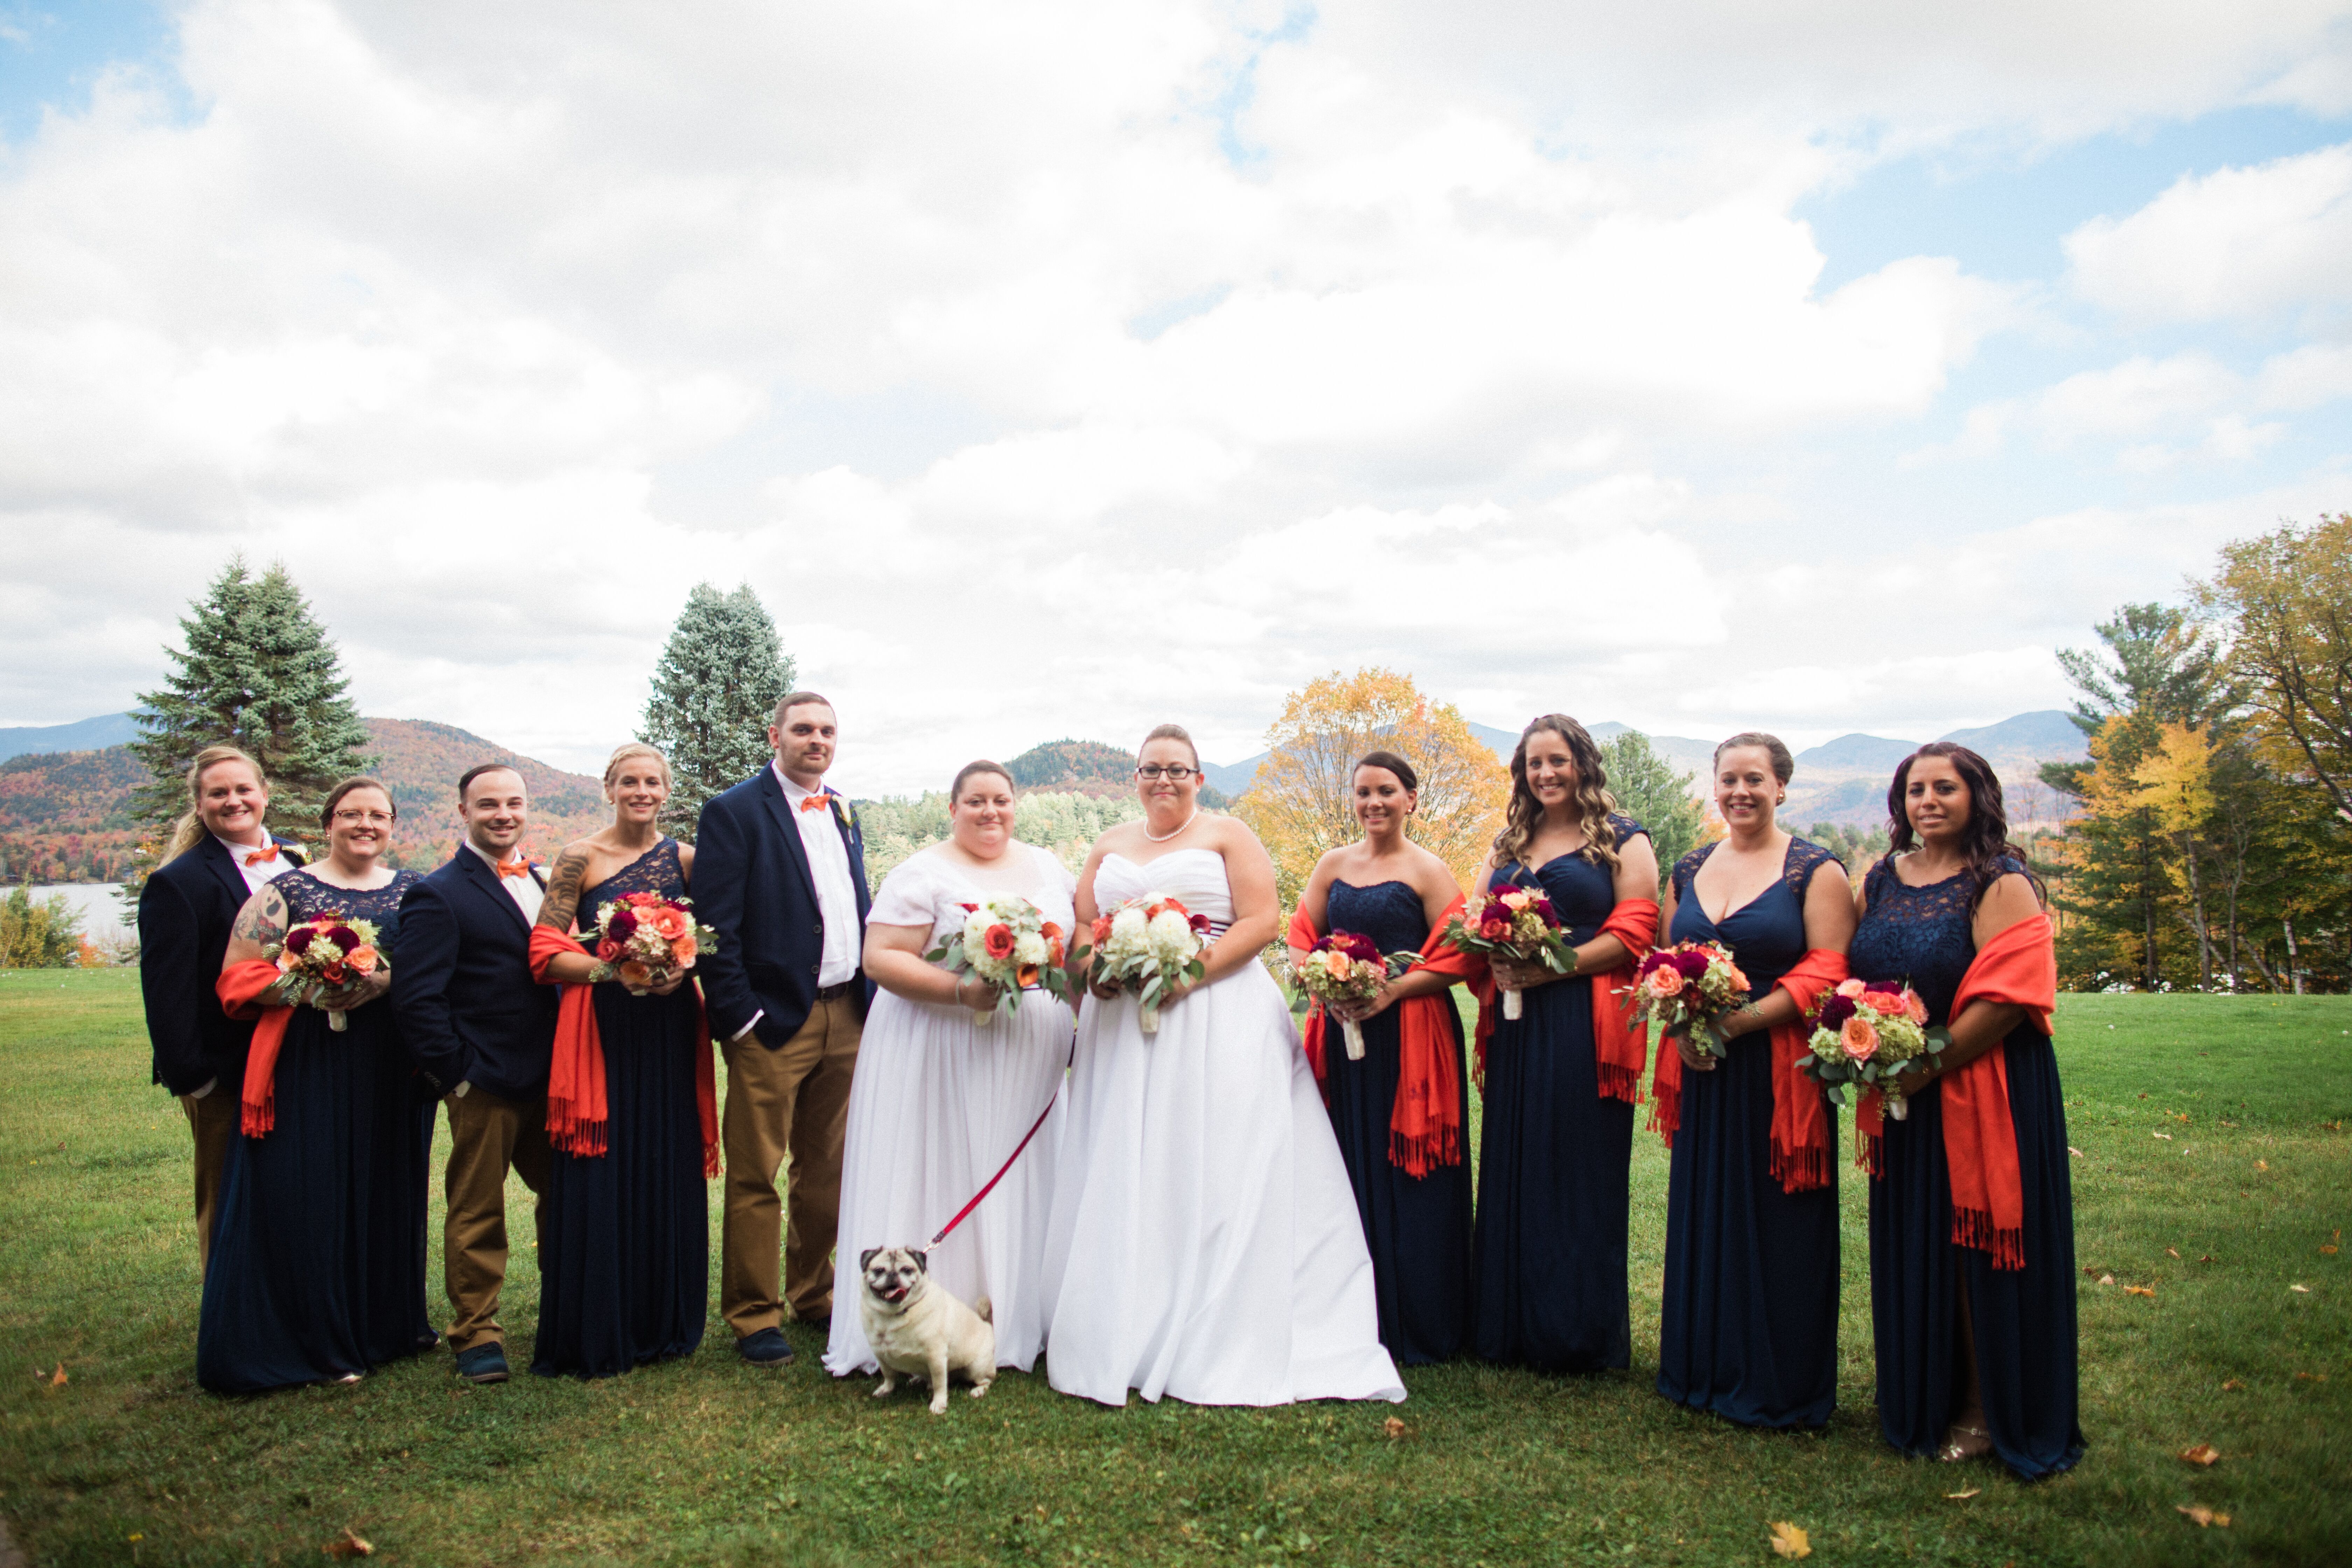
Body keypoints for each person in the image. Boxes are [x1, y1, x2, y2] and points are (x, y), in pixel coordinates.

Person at [1040, 723, 1404, 1407]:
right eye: (1152, 769)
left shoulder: (1230, 833)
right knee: (1131, 1157)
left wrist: (1188, 975)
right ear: (1136, 777)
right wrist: (1098, 972)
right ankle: (1127, 1315)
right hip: (1123, 1023)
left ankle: (1220, 1310)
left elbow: (1261, 920)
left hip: (1218, 1011)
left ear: (1199, 778)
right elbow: (1087, 929)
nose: (1164, 780)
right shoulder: (1109, 844)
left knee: (1216, 1152)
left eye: (1178, 770)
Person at [1853, 743, 2084, 1477]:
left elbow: (2013, 997)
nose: (1929, 800)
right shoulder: (1883, 878)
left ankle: (1991, 1408)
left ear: (1976, 795)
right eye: (1915, 788)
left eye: (1945, 787)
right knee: (1918, 1239)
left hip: (1986, 1086)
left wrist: (1926, 1065)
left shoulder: (2001, 880)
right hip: (1904, 1090)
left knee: (1977, 1248)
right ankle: (1922, 1396)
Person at [825, 760, 1076, 1379]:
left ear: (1017, 804)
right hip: (939, 1046)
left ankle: (1025, 1308)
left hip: (1028, 1050)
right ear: (953, 808)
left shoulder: (1048, 866)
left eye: (1002, 800)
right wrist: (961, 993)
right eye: (976, 802)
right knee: (951, 1158)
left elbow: (1071, 948)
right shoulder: (921, 872)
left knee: (1024, 1167)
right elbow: (880, 958)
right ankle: (933, 1314)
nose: (990, 812)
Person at [199, 777, 434, 1392]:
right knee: (312, 1194)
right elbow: (235, 978)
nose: (365, 825)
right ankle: (315, 1341)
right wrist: (307, 987)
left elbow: (432, 968)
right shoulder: (286, 891)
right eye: (351, 814)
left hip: (389, 1066)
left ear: (392, 825)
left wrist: (383, 982)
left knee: (387, 1190)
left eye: (378, 815)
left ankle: (387, 1328)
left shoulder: (413, 891)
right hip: (310, 1062)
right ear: (328, 822)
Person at [1654, 733, 1853, 1429]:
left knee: (1781, 1217)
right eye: (1729, 778)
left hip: (1779, 1067)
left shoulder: (1814, 869)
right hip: (1705, 1064)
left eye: (1756, 779)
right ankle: (1702, 1364)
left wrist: (1743, 1022)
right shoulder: (1689, 865)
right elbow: (1665, 958)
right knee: (1708, 1205)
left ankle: (1781, 1379)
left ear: (1781, 787)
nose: (1741, 791)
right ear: (1715, 786)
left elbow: (1830, 965)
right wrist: (1682, 1022)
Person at [1464, 718, 1661, 1373]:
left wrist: (1549, 966)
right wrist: (1490, 946)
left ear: (1583, 764)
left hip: (1583, 1019)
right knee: (1514, 1158)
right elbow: (1473, 915)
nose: (1545, 774)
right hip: (1515, 1023)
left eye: (1558, 761)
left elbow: (1636, 930)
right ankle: (1506, 1328)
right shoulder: (1508, 841)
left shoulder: (1623, 839)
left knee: (1577, 1163)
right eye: (1533, 764)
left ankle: (1575, 1335)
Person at [694, 692, 873, 1366]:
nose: (817, 740)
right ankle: (752, 1312)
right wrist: (740, 1016)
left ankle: (812, 1291)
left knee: (827, 1169)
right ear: (776, 736)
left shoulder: (842, 809)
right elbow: (715, 928)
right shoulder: (735, 811)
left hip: (847, 1013)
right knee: (756, 1173)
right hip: (773, 1021)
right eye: (803, 730)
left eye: (828, 730)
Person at [1285, 750, 1476, 1366]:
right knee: (1348, 1159)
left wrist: (1392, 989)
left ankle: (1422, 1319)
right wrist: (1320, 980)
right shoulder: (1332, 864)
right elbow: (1298, 935)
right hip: (1344, 1035)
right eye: (1364, 792)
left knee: (1414, 1173)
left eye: (1387, 791)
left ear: (1411, 799)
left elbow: (1459, 957)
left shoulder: (1430, 870)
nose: (1374, 803)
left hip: (1413, 1037)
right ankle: (1350, 1311)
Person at [527, 744, 713, 1378]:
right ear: (609, 788)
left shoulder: (687, 861)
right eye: (629, 781)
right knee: (602, 1165)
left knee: (665, 1158)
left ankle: (664, 1320)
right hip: (601, 1030)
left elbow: (709, 943)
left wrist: (675, 967)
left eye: (653, 782)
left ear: (667, 790)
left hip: (666, 1026)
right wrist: (616, 969)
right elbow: (546, 953)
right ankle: (599, 1320)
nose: (641, 791)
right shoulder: (580, 857)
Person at [391, 762, 560, 1384]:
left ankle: (565, 1309)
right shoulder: (438, 892)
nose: (503, 814)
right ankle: (477, 1332)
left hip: (554, 1080)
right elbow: (416, 999)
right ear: (463, 811)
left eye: (513, 803)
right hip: (485, 1081)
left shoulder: (544, 880)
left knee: (565, 1199)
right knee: (477, 1209)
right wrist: (457, 1074)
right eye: (488, 804)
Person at [136, 745, 307, 1273]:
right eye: (218, 793)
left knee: (289, 1192)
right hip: (226, 1070)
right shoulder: (178, 882)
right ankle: (227, 1318)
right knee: (227, 1197)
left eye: (243, 790)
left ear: (264, 795)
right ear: (200, 804)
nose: (233, 801)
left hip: (297, 1060)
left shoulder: (296, 863)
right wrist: (196, 1080)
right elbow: (167, 992)